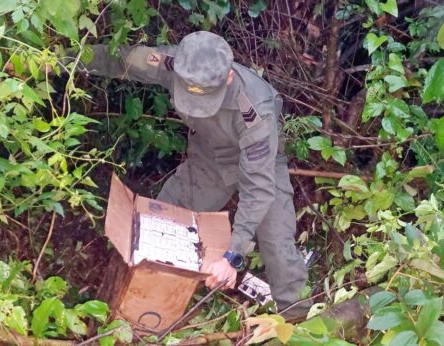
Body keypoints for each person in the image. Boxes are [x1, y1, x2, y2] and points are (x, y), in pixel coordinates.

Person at [74, 31, 310, 319]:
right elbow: (123, 59)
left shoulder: (255, 109)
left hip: (262, 168)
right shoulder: (176, 64)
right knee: (159, 228)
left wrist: (231, 256)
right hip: (209, 161)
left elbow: (258, 188)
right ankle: (142, 314)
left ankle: (301, 323)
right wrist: (61, 60)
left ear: (228, 79)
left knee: (278, 247)